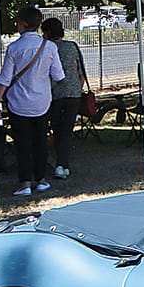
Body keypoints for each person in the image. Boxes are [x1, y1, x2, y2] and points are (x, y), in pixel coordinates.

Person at [0, 6, 63, 197]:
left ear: (23, 24)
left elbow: (5, 79)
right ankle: (41, 179)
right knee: (40, 141)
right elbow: (58, 75)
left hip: (18, 103)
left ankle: (24, 182)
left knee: (22, 143)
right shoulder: (49, 47)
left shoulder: (14, 48)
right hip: (42, 101)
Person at [41, 18, 90, 179]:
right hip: (73, 94)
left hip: (54, 95)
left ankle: (60, 164)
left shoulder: (46, 48)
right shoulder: (72, 46)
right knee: (67, 130)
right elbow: (80, 72)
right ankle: (63, 164)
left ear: (46, 33)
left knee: (57, 129)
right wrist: (77, 88)